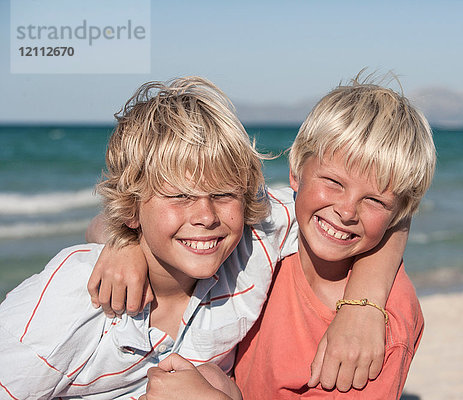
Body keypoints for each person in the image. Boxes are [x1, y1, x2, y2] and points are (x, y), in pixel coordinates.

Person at [0, 76, 291, 399]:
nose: (206, 217)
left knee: (213, 381)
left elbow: (335, 214)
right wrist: (117, 236)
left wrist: (359, 302)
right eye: (180, 196)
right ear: (131, 210)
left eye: (223, 194)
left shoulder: (255, 240)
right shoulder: (76, 300)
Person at [233, 76, 436, 398]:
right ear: (296, 171)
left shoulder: (382, 331)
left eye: (374, 201)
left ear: (398, 213)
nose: (346, 211)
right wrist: (124, 245)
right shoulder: (258, 232)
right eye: (333, 182)